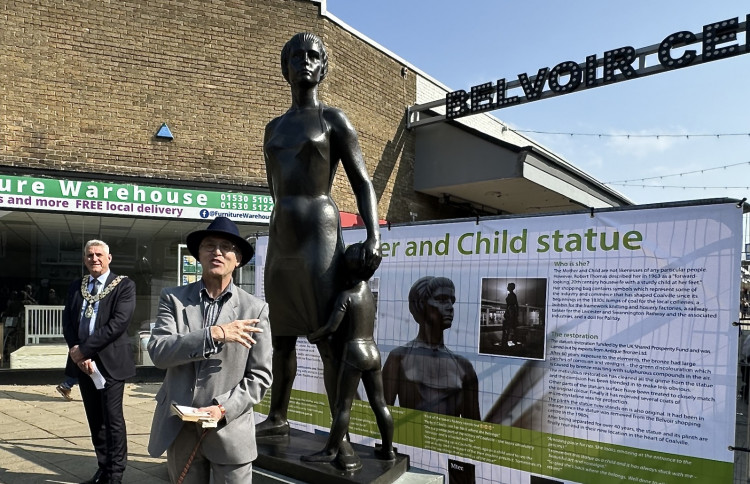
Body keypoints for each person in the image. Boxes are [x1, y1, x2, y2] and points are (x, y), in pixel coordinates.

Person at [258, 32, 381, 437]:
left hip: (320, 233)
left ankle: (339, 431)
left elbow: (362, 182)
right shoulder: (273, 126)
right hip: (282, 235)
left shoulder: (333, 119)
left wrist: (373, 236)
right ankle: (277, 415)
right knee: (281, 337)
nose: (305, 62)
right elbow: (274, 185)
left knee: (328, 338)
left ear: (323, 66)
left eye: (313, 56)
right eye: (297, 56)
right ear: (285, 67)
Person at [147, 217, 272, 484]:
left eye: (226, 247)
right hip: (180, 428)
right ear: (198, 255)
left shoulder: (255, 310)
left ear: (237, 259)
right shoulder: (174, 299)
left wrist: (223, 408)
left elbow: (260, 376)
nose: (217, 252)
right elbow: (159, 352)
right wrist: (214, 334)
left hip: (230, 430)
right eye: (209, 246)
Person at [301, 243, 394, 469]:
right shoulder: (369, 295)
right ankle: (388, 449)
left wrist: (313, 336)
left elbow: (332, 327)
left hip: (355, 352)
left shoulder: (347, 296)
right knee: (379, 403)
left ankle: (331, 450)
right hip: (373, 351)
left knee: (343, 406)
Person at [61, 240, 137, 484]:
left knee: (112, 420)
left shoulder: (124, 286)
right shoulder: (77, 286)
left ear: (109, 258)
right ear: (85, 259)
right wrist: (76, 352)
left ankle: (115, 475)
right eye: (90, 255)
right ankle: (103, 470)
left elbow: (118, 324)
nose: (94, 259)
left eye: (99, 255)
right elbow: (68, 322)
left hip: (110, 365)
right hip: (83, 366)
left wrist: (83, 350)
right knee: (95, 420)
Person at [382, 276, 480, 420]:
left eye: (451, 301)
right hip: (408, 440)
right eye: (441, 299)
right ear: (422, 304)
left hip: (449, 441)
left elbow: (474, 427)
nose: (450, 307)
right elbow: (381, 414)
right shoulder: (398, 357)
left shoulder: (464, 367)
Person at [500, 282, 519, 348]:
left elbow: (516, 304)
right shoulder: (510, 295)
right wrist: (506, 312)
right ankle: (506, 341)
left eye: (508, 286)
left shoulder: (513, 295)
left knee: (509, 326)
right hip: (509, 311)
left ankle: (508, 341)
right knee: (507, 327)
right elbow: (508, 305)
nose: (507, 287)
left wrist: (515, 314)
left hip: (512, 311)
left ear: (511, 288)